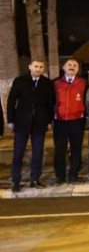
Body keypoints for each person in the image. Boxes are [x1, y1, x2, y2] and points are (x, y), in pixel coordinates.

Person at [7, 59, 54, 192]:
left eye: (41, 67)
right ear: (30, 67)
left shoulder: (47, 83)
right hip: (22, 123)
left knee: (38, 153)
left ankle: (34, 179)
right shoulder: (20, 81)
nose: (38, 69)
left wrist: (49, 121)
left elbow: (50, 104)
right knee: (18, 153)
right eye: (36, 66)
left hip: (39, 124)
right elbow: (11, 101)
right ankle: (16, 180)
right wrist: (10, 120)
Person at [52, 58, 87, 184]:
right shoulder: (55, 83)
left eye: (75, 65)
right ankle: (60, 176)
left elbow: (87, 101)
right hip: (60, 122)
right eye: (69, 65)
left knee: (76, 149)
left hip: (77, 121)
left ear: (78, 69)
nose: (72, 67)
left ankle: (73, 174)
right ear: (64, 68)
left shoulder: (83, 83)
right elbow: (50, 101)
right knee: (60, 150)